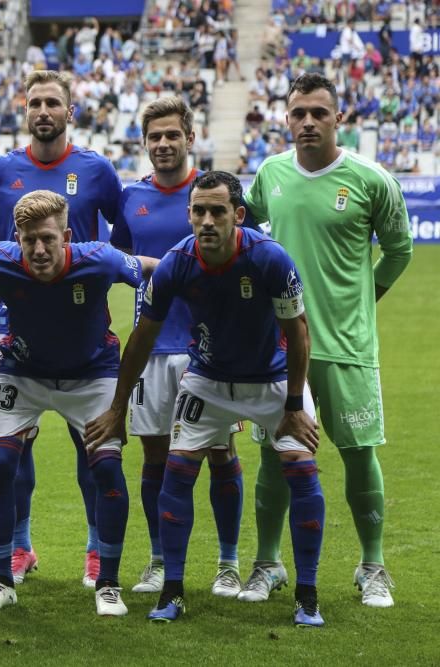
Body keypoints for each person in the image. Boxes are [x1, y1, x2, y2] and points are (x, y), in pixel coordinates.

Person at [86, 171, 327, 627]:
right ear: (189, 214)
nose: (207, 220)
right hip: (208, 379)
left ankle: (307, 595)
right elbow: (141, 338)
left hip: (273, 379)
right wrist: (118, 409)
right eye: (199, 211)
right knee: (177, 470)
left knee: (301, 468)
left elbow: (298, 334)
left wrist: (295, 406)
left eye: (217, 211)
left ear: (238, 215)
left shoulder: (269, 259)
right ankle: (172, 591)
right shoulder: (178, 262)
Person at [244, 72, 412, 608]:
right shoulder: (270, 174)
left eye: (319, 112)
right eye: (299, 113)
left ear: (339, 117)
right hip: (279, 350)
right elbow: (244, 229)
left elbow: (400, 250)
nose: (308, 122)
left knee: (359, 455)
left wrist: (367, 302)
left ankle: (373, 566)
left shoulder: (371, 179)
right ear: (286, 118)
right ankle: (268, 564)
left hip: (346, 348)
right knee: (274, 456)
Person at [0, 69, 123, 588]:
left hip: (81, 330)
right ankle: (19, 547)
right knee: (14, 453)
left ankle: (98, 553)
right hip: (18, 335)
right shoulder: (2, 170)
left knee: (91, 454)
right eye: (35, 103)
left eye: (53, 102)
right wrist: (13, 249)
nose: (43, 111)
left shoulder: (96, 171)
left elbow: (123, 233)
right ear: (24, 111)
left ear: (70, 112)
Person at [0, 190, 142, 615]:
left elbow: (158, 271)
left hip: (92, 375)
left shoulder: (100, 258)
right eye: (30, 240)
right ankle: (1, 580)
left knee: (105, 467)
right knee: (0, 465)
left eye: (49, 238)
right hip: (22, 372)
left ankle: (109, 583)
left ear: (67, 235)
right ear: (17, 238)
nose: (40, 249)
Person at [111, 96, 244, 598]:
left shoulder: (214, 193)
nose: (163, 144)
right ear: (144, 144)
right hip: (152, 346)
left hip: (208, 348)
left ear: (191, 137)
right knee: (155, 456)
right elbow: (122, 260)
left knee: (220, 452)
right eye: (154, 137)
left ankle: (228, 562)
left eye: (172, 135)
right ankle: (159, 557)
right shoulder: (131, 198)